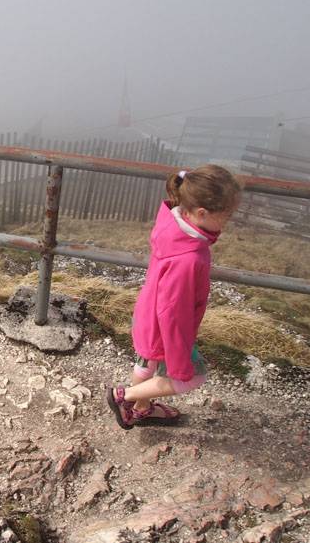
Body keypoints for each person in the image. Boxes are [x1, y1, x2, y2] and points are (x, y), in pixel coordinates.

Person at [106, 164, 243, 429]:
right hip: (164, 326)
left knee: (146, 363)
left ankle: (141, 410)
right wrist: (180, 361)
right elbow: (174, 311)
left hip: (148, 313)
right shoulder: (189, 258)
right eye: (226, 215)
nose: (228, 221)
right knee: (192, 378)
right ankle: (124, 397)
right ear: (202, 212)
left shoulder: (172, 223)